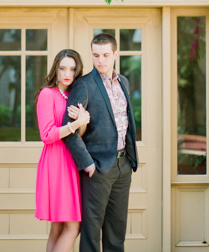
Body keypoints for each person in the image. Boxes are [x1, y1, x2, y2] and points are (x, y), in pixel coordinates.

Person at [63, 33, 139, 252]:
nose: (100, 61)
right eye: (96, 55)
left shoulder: (123, 81)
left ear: (115, 54)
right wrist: (87, 164)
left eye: (106, 55)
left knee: (117, 233)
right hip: (96, 168)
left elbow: (126, 122)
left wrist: (131, 159)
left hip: (123, 165)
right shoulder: (84, 85)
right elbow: (69, 130)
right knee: (91, 233)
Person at [35, 49, 91, 252]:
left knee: (58, 228)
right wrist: (75, 125)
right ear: (55, 69)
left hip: (71, 162)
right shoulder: (47, 94)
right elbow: (47, 135)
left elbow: (79, 135)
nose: (67, 73)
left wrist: (82, 120)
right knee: (73, 226)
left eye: (73, 69)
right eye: (62, 68)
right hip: (56, 163)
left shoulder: (74, 95)